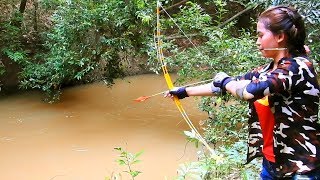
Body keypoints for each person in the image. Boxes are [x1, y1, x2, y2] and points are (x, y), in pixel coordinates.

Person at [165, 5, 320, 179]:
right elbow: (229, 86)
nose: (257, 41)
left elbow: (247, 91)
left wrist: (225, 80)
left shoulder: (298, 66)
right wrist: (184, 91)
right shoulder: (267, 70)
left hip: (300, 168)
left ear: (280, 37)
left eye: (261, 35)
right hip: (272, 164)